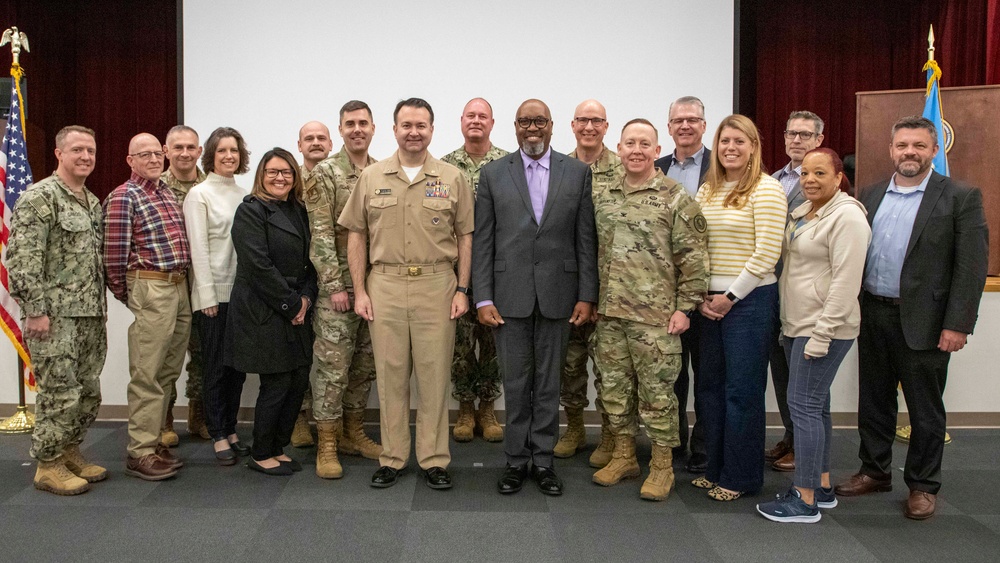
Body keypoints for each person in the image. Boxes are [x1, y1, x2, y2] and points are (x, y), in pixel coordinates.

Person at [836, 116, 989, 520]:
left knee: (925, 409)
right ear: (891, 150)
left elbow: (971, 268)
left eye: (919, 146)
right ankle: (874, 471)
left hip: (927, 321)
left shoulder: (960, 196)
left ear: (934, 151)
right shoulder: (869, 196)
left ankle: (922, 485)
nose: (910, 153)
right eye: (902, 145)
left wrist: (958, 324)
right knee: (873, 400)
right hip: (872, 313)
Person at [339, 98, 473, 490]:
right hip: (386, 285)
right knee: (390, 375)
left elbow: (466, 236)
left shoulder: (452, 177)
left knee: (433, 377)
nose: (414, 131)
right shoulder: (372, 176)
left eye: (421, 125)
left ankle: (433, 458)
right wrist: (360, 290)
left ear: (432, 129)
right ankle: (393, 457)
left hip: (437, 284)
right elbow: (356, 235)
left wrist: (462, 288)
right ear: (394, 129)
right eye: (406, 125)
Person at [474, 99, 598, 496]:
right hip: (507, 297)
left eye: (539, 121)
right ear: (514, 126)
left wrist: (587, 294)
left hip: (560, 297)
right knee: (515, 382)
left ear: (551, 126)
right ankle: (515, 461)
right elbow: (484, 240)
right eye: (525, 121)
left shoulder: (577, 172)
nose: (532, 128)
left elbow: (585, 239)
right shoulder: (493, 173)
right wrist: (482, 297)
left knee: (548, 384)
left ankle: (542, 460)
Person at [591, 119, 708, 501]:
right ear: (619, 149)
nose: (636, 150)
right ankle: (625, 456)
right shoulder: (603, 194)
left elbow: (693, 257)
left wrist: (686, 307)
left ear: (658, 151)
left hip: (656, 318)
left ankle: (662, 466)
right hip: (610, 315)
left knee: (658, 395)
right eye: (629, 143)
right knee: (614, 390)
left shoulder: (675, 196)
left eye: (645, 143)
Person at [756, 148, 870, 523]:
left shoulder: (848, 217)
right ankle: (820, 486)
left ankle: (803, 500)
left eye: (820, 173)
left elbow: (845, 283)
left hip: (822, 328)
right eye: (804, 173)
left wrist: (822, 335)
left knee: (802, 407)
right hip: (798, 324)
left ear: (838, 177)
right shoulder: (806, 212)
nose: (809, 180)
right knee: (815, 407)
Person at [8, 125, 108, 495]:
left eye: (91, 151)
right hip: (54, 317)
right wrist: (35, 309)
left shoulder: (91, 201)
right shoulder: (41, 198)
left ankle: (69, 449)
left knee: (87, 391)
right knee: (59, 391)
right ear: (59, 154)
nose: (85, 157)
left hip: (90, 315)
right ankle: (47, 464)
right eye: (78, 150)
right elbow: (22, 258)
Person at [692, 115, 786, 501]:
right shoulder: (707, 190)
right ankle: (714, 468)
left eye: (739, 142)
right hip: (707, 303)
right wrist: (701, 296)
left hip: (747, 303)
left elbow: (767, 253)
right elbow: (695, 245)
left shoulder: (767, 189)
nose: (731, 148)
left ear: (753, 147)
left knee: (742, 392)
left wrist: (730, 297)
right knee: (709, 390)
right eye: (725, 141)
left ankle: (740, 476)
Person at [302, 103, 383, 478]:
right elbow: (319, 235)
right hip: (339, 290)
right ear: (341, 129)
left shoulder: (383, 172)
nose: (357, 129)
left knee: (365, 366)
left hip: (378, 288)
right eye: (349, 124)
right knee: (333, 368)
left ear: (373, 128)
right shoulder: (325, 173)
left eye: (362, 123)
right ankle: (328, 443)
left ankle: (353, 433)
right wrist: (334, 286)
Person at [226, 147, 318, 476]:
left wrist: (306, 298)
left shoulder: (299, 210)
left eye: (286, 172)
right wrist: (292, 304)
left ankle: (278, 448)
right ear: (261, 176)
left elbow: (311, 262)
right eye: (272, 172)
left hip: (297, 305)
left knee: (297, 380)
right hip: (264, 308)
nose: (280, 178)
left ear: (295, 177)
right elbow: (257, 266)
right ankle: (261, 452)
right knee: (277, 382)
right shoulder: (251, 211)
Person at [104, 132, 191, 481]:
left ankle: (154, 442)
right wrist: (135, 295)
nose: (155, 159)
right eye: (145, 154)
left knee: (168, 371)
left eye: (158, 153)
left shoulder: (167, 192)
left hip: (179, 286)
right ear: (130, 160)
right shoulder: (124, 197)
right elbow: (113, 258)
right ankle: (139, 452)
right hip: (151, 286)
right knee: (147, 373)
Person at [556, 99, 625, 465]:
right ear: (572, 124)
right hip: (566, 286)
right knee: (569, 364)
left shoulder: (622, 168)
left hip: (612, 287)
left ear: (605, 125)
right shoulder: (559, 168)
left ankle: (611, 436)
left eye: (596, 120)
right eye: (583, 120)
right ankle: (574, 427)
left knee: (608, 367)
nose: (589, 127)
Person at [441, 97, 509, 444]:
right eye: (471, 116)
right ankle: (465, 408)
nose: (477, 121)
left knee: (494, 343)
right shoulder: (445, 168)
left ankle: (488, 406)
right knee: (461, 345)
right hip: (456, 272)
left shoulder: (508, 165)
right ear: (462, 121)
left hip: (498, 271)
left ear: (492, 123)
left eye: (483, 116)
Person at [183, 127, 251, 465]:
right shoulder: (199, 194)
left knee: (237, 369)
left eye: (234, 150)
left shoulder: (245, 194)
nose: (229, 156)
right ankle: (218, 433)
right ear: (211, 155)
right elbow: (198, 250)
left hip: (242, 297)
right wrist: (207, 295)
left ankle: (232, 428)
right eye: (222, 150)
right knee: (215, 368)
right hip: (212, 297)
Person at [653, 95, 712, 474]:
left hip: (706, 289)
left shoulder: (721, 166)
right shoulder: (655, 169)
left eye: (693, 119)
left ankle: (704, 449)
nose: (686, 125)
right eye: (679, 120)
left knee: (706, 375)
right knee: (671, 377)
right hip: (660, 292)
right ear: (670, 126)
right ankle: (671, 446)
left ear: (704, 125)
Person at [765, 110, 826, 473]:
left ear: (819, 140)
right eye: (791, 134)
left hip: (806, 294)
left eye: (805, 135)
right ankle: (791, 437)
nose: (797, 140)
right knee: (782, 370)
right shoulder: (774, 180)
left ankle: (806, 452)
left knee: (808, 378)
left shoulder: (825, 182)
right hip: (774, 290)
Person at [160, 125, 209, 443]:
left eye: (191, 147)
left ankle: (198, 416)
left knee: (203, 353)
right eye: (178, 147)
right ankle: (163, 420)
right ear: (166, 151)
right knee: (166, 355)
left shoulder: (210, 186)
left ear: (200, 151)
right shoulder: (155, 188)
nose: (185, 153)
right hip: (169, 284)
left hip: (204, 284)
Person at [289, 120, 335, 448]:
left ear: (330, 144)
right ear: (299, 145)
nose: (316, 142)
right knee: (298, 352)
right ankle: (299, 417)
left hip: (331, 278)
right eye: (309, 138)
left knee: (331, 357)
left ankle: (334, 424)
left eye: (321, 137)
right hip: (297, 279)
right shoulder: (287, 181)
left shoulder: (343, 177)